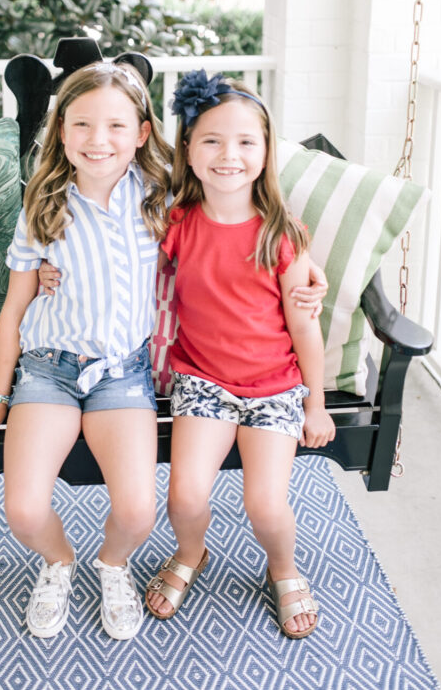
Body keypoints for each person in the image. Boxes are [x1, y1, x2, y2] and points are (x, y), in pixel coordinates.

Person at [0, 61, 172, 641]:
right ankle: (59, 561)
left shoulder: (160, 198)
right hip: (49, 371)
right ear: (62, 131)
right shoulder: (44, 204)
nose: (99, 140)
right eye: (82, 124)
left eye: (116, 126)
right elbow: (14, 309)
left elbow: (232, 214)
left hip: (123, 374)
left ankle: (112, 565)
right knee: (22, 510)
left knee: (138, 512)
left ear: (141, 133)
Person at [144, 70, 335, 639]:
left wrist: (316, 405)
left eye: (246, 141)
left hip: (275, 388)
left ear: (267, 151)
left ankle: (284, 568)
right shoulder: (175, 222)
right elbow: (122, 268)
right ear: (188, 149)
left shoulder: (282, 235)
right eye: (212, 140)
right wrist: (50, 270)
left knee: (266, 506)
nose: (229, 155)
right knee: (183, 497)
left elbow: (305, 331)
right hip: (203, 381)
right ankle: (191, 552)